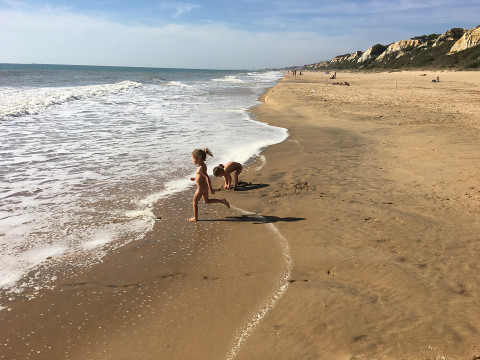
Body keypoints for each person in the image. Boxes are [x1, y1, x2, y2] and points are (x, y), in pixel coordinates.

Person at [187, 148, 230, 222]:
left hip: (200, 189)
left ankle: (195, 218)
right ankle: (222, 201)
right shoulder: (203, 165)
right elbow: (201, 176)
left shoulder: (200, 168)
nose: (192, 160)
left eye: (193, 158)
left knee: (195, 202)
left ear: (199, 158)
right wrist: (195, 178)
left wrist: (211, 188)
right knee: (206, 201)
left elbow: (207, 177)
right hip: (204, 187)